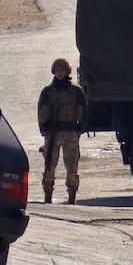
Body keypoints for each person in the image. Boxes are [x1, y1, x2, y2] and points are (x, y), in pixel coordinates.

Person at [38, 58, 87, 204]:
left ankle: (72, 196)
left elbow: (84, 110)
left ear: (67, 71)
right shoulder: (47, 92)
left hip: (70, 131)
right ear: (54, 71)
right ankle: (48, 195)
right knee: (49, 165)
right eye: (57, 70)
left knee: (72, 166)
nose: (60, 73)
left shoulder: (76, 91)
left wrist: (79, 129)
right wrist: (44, 131)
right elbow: (40, 111)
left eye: (62, 70)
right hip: (53, 132)